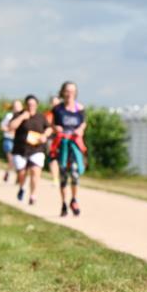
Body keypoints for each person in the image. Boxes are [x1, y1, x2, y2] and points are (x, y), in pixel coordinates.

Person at [49, 81, 88, 217]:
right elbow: (52, 125)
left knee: (75, 175)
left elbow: (83, 123)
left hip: (75, 145)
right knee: (64, 176)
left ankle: (74, 200)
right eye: (67, 91)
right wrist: (56, 128)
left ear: (75, 93)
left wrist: (80, 130)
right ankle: (64, 203)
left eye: (72, 91)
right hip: (62, 146)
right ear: (63, 92)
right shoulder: (57, 109)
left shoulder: (80, 108)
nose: (70, 93)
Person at [9, 95, 51, 206]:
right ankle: (22, 187)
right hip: (20, 149)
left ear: (36, 105)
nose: (31, 106)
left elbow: (49, 128)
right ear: (25, 105)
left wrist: (44, 135)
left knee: (35, 171)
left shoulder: (41, 117)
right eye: (29, 104)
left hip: (37, 149)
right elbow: (11, 127)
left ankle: (33, 195)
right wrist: (22, 117)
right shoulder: (18, 115)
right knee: (21, 173)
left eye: (33, 105)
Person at [1, 99, 22, 182]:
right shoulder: (9, 116)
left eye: (18, 106)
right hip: (9, 139)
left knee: (17, 159)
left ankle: (14, 174)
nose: (17, 108)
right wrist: (9, 130)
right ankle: (11, 173)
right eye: (15, 106)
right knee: (11, 159)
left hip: (19, 141)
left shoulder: (22, 117)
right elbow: (2, 127)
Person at [45, 96, 62, 187]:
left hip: (63, 139)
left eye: (57, 103)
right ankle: (55, 179)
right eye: (53, 103)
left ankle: (63, 177)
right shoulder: (48, 114)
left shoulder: (64, 114)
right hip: (51, 139)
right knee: (53, 158)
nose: (55, 105)